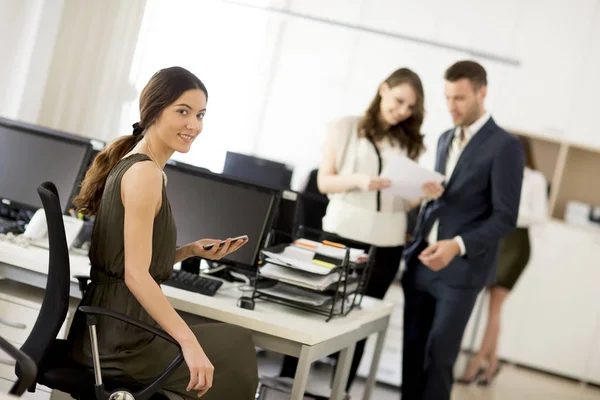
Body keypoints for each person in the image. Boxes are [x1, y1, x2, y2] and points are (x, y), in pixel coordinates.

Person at [67, 66, 258, 399]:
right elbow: (135, 275)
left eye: (200, 114)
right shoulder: (145, 175)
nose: (194, 125)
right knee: (235, 348)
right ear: (153, 111)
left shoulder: (140, 164)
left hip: (106, 331)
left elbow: (128, 258)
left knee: (227, 342)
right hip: (121, 342)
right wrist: (189, 343)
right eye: (182, 112)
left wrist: (189, 251)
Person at [279, 67, 436, 394]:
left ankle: (340, 391)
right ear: (383, 89)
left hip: (387, 244)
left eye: (410, 107)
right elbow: (324, 181)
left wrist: (422, 194)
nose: (403, 111)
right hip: (342, 235)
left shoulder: (407, 142)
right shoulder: (345, 127)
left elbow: (402, 203)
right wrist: (360, 181)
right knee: (315, 308)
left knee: (360, 322)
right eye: (399, 100)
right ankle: (288, 386)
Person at [401, 60, 525, 400]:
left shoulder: (505, 146)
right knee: (411, 355)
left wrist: (456, 245)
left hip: (460, 270)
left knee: (439, 357)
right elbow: (448, 197)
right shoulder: (444, 139)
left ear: (482, 93)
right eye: (447, 98)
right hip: (422, 263)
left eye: (460, 98)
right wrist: (428, 195)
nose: (451, 106)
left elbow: (505, 217)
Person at [457, 135, 548, 385]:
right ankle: (492, 364)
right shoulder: (498, 172)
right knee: (492, 307)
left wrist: (507, 212)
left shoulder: (535, 179)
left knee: (495, 307)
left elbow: (539, 216)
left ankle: (476, 364)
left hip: (515, 244)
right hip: (494, 240)